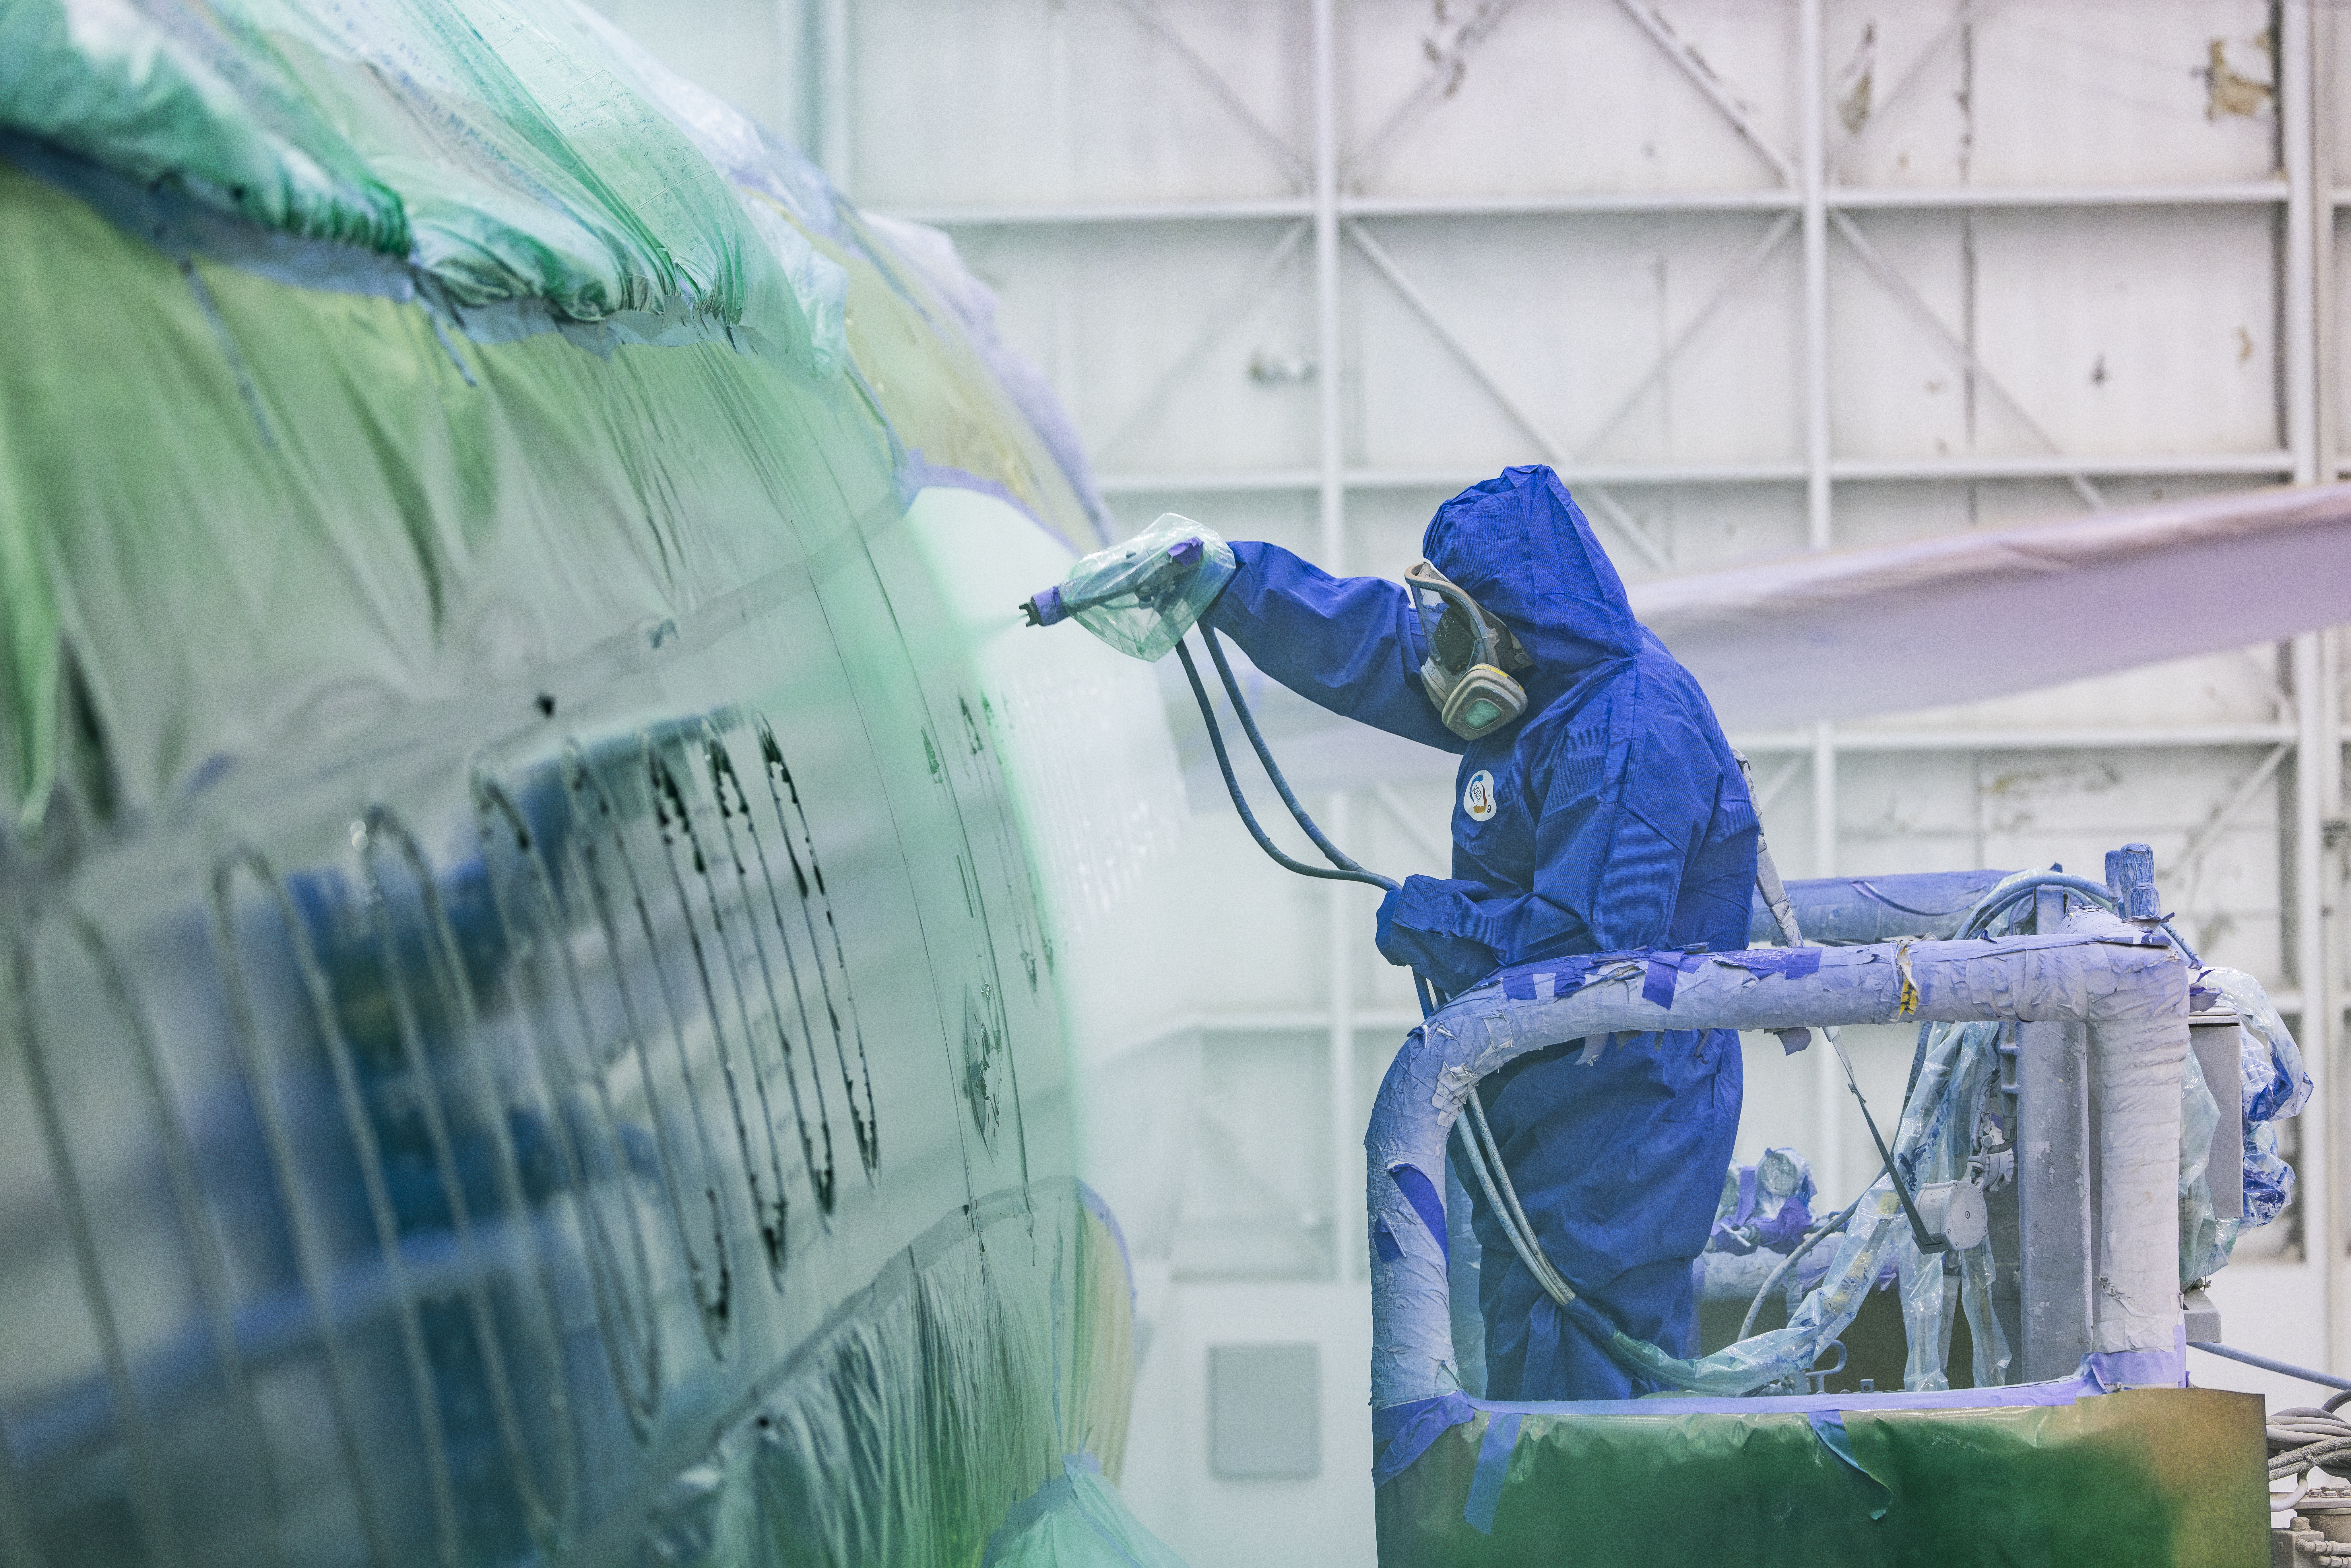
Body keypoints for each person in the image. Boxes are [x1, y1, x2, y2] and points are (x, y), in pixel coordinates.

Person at [1198, 464, 1758, 1399]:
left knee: (1589, 1410)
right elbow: (1374, 645)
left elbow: (1586, 956)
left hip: (1622, 1127)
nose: (1444, 655)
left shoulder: (1626, 731)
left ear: (1514, 623)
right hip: (1556, 1116)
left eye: (1460, 627)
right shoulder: (1545, 681)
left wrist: (1435, 920)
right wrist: (1231, 581)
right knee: (1535, 1380)